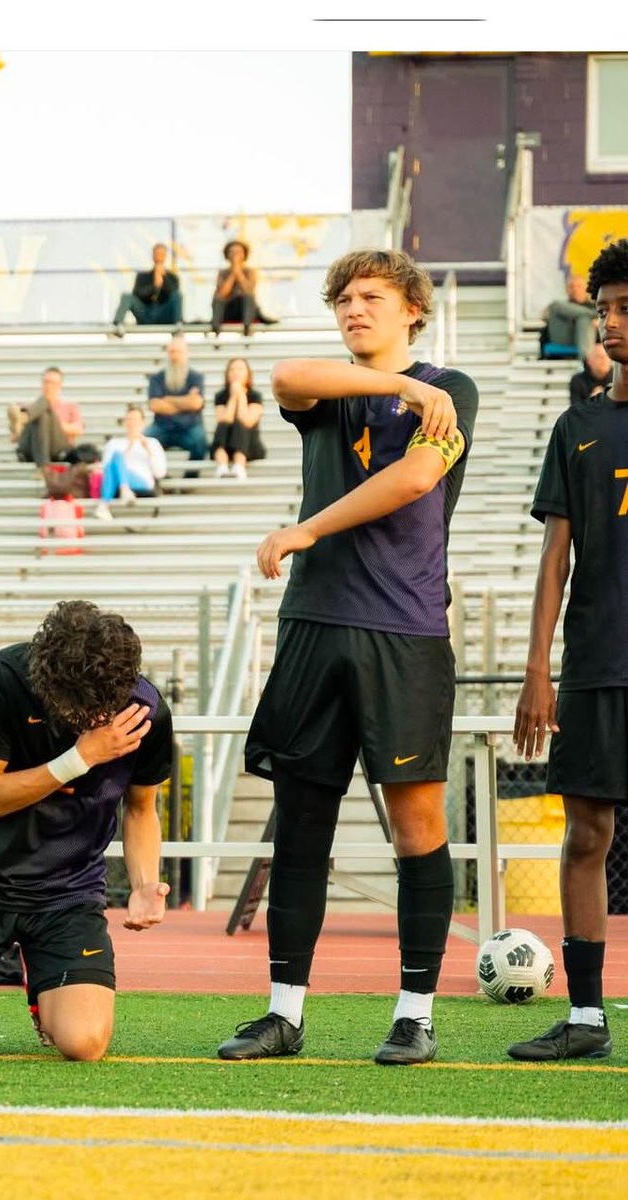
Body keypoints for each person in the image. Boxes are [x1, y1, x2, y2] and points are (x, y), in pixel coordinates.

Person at [217, 248, 478, 1067]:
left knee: (416, 826)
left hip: (402, 633)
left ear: (413, 309)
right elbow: (287, 375)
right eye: (343, 299)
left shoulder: (455, 390)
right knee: (298, 823)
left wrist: (306, 528)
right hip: (314, 626)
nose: (353, 309)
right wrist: (400, 386)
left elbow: (409, 482)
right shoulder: (358, 389)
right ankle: (283, 1014)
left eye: (371, 297)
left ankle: (415, 1014)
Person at [0, 600, 173, 1060]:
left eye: (109, 704)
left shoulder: (145, 711)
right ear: (49, 684)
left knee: (83, 1045)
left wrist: (143, 885)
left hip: (67, 891)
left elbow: (141, 809)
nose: (99, 718)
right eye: (85, 707)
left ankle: (39, 982)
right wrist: (80, 757)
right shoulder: (1, 678)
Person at [508, 237, 628, 1063]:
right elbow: (556, 558)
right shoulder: (577, 426)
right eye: (606, 308)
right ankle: (586, 1019)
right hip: (596, 664)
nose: (612, 323)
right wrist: (535, 668)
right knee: (586, 836)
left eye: (627, 308)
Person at [94, 405, 167, 521]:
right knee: (116, 456)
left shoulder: (152, 443)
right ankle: (124, 490)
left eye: (135, 420)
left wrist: (148, 451)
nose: (132, 424)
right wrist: (128, 449)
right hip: (116, 482)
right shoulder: (114, 443)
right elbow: (106, 469)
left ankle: (104, 505)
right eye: (129, 420)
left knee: (117, 456)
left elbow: (160, 473)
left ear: (142, 423)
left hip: (143, 481)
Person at [145, 333, 206, 465]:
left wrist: (167, 400)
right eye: (172, 352)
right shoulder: (157, 378)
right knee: (145, 442)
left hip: (189, 427)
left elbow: (196, 404)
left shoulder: (196, 377)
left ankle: (190, 478)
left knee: (200, 442)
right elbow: (155, 405)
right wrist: (185, 401)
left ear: (186, 353)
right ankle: (160, 476)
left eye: (178, 352)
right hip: (162, 426)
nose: (175, 356)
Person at [9, 367, 85, 469]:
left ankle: (26, 418)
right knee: (41, 413)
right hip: (31, 449)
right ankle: (44, 467)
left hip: (58, 450)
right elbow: (14, 439)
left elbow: (78, 429)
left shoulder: (69, 406)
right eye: (46, 382)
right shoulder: (30, 407)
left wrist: (52, 425)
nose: (48, 386)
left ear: (60, 385)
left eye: (52, 383)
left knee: (44, 413)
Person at [212, 356, 266, 479]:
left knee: (241, 424)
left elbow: (246, 420)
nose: (236, 373)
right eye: (232, 369)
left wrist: (241, 395)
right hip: (225, 446)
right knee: (223, 425)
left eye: (240, 369)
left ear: (248, 374)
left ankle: (239, 465)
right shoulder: (220, 396)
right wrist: (232, 398)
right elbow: (225, 419)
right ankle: (222, 466)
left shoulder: (255, 396)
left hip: (250, 446)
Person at [210, 240, 279, 336]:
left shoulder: (250, 272)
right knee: (217, 299)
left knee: (248, 297)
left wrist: (238, 272)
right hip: (228, 309)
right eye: (232, 252)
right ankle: (215, 330)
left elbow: (248, 291)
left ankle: (247, 329)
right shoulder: (222, 273)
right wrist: (233, 273)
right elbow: (222, 294)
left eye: (238, 252)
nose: (235, 255)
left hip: (245, 309)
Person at [112, 243, 182, 334]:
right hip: (145, 313)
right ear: (153, 256)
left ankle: (178, 328)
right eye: (157, 254)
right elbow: (137, 294)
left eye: (162, 254)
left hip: (163, 314)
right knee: (126, 296)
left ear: (165, 256)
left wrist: (163, 277)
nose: (159, 257)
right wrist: (154, 287)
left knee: (177, 295)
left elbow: (173, 293)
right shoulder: (143, 276)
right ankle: (117, 326)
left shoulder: (172, 278)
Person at [541, 273, 597, 360]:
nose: (575, 289)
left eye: (578, 286)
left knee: (583, 319)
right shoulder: (560, 307)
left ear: (587, 289)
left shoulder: (595, 306)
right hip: (563, 339)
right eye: (571, 286)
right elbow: (544, 317)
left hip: (590, 341)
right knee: (555, 305)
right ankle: (586, 361)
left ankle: (585, 359)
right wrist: (594, 316)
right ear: (567, 290)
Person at [568, 340, 613, 406]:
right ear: (588, 360)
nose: (604, 360)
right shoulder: (578, 380)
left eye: (606, 356)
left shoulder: (620, 379)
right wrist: (591, 402)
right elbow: (575, 411)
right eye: (599, 357)